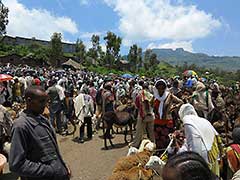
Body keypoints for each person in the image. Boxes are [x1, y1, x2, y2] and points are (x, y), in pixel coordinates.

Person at [9, 86, 70, 180]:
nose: (45, 105)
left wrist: (62, 166)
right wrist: (51, 170)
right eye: (41, 101)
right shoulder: (21, 126)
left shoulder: (43, 120)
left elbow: (51, 151)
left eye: (46, 101)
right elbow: (16, 164)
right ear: (29, 101)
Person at [178, 103, 221, 177]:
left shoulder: (187, 121)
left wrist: (195, 163)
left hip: (202, 157)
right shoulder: (203, 120)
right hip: (213, 154)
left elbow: (194, 143)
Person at [153, 79, 183, 153]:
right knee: (158, 140)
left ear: (165, 88)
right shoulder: (155, 97)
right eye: (159, 88)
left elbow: (181, 102)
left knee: (167, 140)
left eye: (162, 88)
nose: (160, 90)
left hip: (167, 122)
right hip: (157, 122)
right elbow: (151, 105)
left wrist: (174, 107)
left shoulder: (169, 96)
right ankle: (160, 154)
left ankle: (168, 154)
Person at [130, 82, 155, 148]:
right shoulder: (151, 96)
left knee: (139, 132)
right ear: (148, 88)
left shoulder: (139, 95)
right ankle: (153, 144)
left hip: (142, 116)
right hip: (151, 115)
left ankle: (136, 144)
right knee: (151, 132)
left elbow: (137, 106)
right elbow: (154, 105)